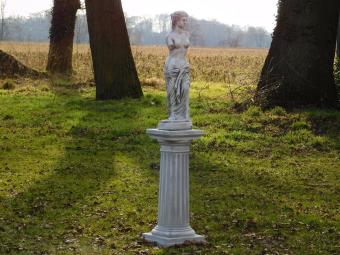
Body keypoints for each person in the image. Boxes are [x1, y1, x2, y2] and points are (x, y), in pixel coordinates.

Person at [164, 11, 191, 121]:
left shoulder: (187, 34)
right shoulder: (170, 36)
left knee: (185, 89)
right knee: (173, 91)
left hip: (184, 65)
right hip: (173, 65)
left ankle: (184, 115)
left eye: (186, 20)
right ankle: (173, 115)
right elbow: (171, 48)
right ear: (176, 21)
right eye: (183, 20)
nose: (185, 22)